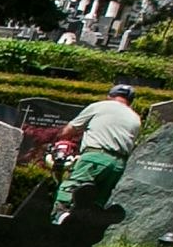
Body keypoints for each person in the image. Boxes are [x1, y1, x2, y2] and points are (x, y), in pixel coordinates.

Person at [58, 81, 142, 220]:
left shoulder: (99, 106)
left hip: (95, 157)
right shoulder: (135, 117)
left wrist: (61, 139)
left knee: (71, 190)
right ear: (130, 101)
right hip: (118, 164)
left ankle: (60, 218)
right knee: (96, 202)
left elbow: (69, 130)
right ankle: (87, 228)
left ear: (110, 96)